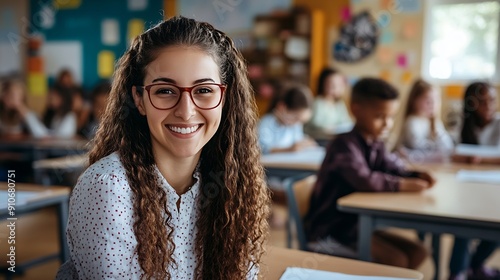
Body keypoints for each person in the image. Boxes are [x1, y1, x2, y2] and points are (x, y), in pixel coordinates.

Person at [56, 16, 270, 279]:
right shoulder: (107, 187)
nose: (186, 111)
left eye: (203, 90)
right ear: (140, 99)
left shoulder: (233, 181)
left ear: (223, 98)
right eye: (165, 91)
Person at [304, 78, 434, 269]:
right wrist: (402, 185)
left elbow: (392, 167)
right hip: (331, 232)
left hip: (357, 225)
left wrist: (415, 176)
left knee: (418, 252)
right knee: (396, 260)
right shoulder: (343, 145)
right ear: (356, 110)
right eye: (380, 116)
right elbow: (365, 179)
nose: (387, 124)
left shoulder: (375, 142)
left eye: (391, 117)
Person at [448, 82, 500, 280]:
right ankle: (457, 272)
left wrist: (478, 158)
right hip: (468, 184)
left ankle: (475, 265)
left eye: (492, 101)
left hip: (494, 186)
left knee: (494, 228)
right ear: (471, 104)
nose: (488, 106)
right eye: (482, 102)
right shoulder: (465, 125)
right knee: (463, 223)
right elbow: (454, 153)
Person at [397, 79, 454, 162]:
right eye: (428, 99)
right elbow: (417, 147)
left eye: (436, 99)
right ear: (414, 100)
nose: (433, 104)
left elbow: (448, 147)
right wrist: (437, 149)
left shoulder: (435, 122)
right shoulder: (412, 121)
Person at [258, 83, 317, 154]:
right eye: (295, 118)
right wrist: (288, 149)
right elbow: (262, 148)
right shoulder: (267, 123)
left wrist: (305, 143)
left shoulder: (295, 125)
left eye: (300, 121)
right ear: (281, 107)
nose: (297, 123)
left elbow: (298, 139)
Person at [11, 85, 77, 139]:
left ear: (62, 99)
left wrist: (26, 114)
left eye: (54, 95)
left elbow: (47, 137)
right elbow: (47, 131)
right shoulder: (55, 115)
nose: (50, 97)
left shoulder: (69, 117)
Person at [304, 67, 353, 139]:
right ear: (323, 84)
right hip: (317, 138)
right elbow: (316, 124)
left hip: (333, 138)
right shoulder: (317, 103)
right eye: (331, 84)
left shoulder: (339, 104)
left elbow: (346, 122)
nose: (336, 87)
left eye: (339, 84)